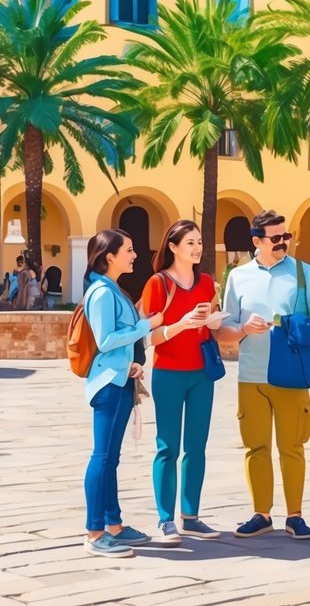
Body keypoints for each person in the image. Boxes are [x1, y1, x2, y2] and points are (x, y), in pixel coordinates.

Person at [217, 209, 310, 540]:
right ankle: (261, 513)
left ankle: (295, 515)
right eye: (276, 238)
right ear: (257, 242)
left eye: (286, 236)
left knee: (292, 446)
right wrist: (242, 329)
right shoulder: (238, 277)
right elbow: (223, 330)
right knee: (256, 447)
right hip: (250, 375)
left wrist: (298, 330)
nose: (283, 243)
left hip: (291, 371)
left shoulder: (304, 273)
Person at [80, 230, 175, 557]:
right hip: (108, 385)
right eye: (130, 250)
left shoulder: (111, 289)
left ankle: (114, 526)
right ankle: (94, 533)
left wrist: (130, 364)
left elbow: (116, 343)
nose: (135, 255)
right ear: (110, 257)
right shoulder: (103, 293)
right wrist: (146, 325)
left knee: (110, 459)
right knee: (102, 458)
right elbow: (106, 340)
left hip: (118, 380)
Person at [140, 220, 226, 542]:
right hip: (168, 374)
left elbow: (210, 326)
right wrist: (183, 323)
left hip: (202, 374)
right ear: (173, 247)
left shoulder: (206, 282)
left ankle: (191, 516)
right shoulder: (157, 284)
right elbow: (151, 337)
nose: (197, 248)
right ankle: (166, 519)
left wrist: (214, 319)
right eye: (190, 242)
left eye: (199, 242)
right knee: (167, 447)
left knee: (196, 447)